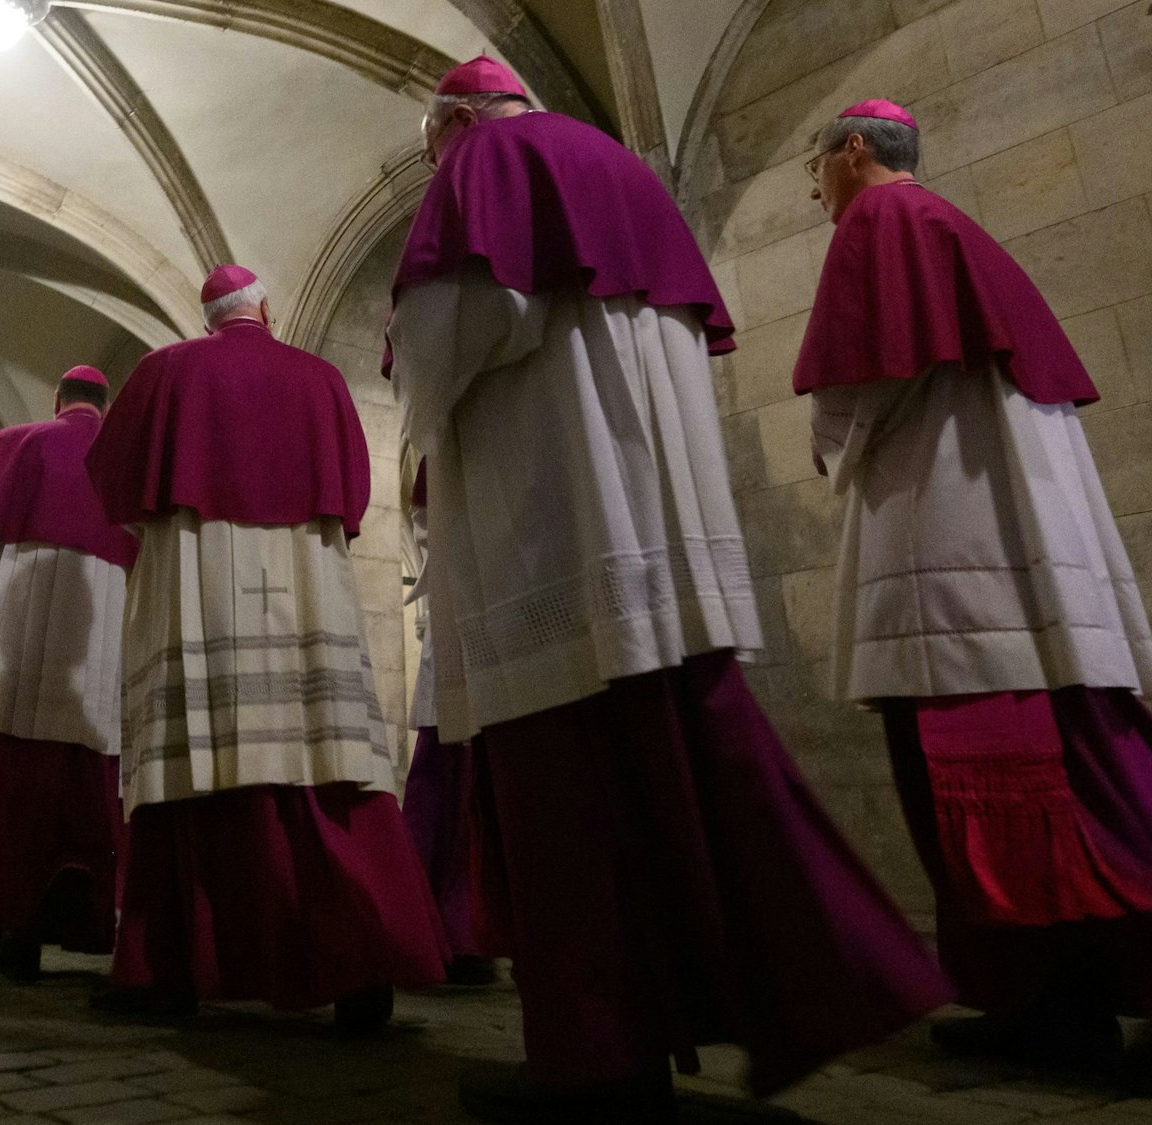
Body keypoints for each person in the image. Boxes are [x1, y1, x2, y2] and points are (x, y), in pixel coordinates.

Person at [385, 58, 950, 1118]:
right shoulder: (619, 170)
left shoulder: (488, 158)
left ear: (458, 117)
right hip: (655, 527)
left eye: (430, 148)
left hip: (555, 520)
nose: (434, 166)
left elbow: (451, 333)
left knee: (566, 804)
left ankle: (594, 1061)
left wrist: (407, 385)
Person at [798, 98, 1152, 1078]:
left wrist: (825, 445)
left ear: (853, 149)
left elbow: (856, 387)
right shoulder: (953, 228)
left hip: (952, 533)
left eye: (815, 168)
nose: (816, 191)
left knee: (1001, 783)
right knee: (1091, 770)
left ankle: (1078, 1000)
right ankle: (1084, 998)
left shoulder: (882, 220)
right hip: (1022, 534)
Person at [85, 263, 448, 1028]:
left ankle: (172, 968)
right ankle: (361, 962)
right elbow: (353, 498)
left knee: (196, 755)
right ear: (267, 309)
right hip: (303, 575)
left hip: (198, 573)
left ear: (209, 317)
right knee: (322, 754)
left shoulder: (165, 372)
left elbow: (113, 481)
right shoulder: (320, 377)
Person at [0, 364, 135, 981]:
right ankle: (86, 919)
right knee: (91, 776)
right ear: (107, 405)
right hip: (104, 617)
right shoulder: (128, 453)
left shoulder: (14, 441)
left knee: (9, 778)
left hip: (14, 611)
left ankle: (11, 927)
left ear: (57, 400)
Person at [398, 457, 508, 986]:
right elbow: (426, 512)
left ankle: (470, 929)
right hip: (461, 597)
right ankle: (435, 928)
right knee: (445, 780)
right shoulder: (439, 447)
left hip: (489, 598)